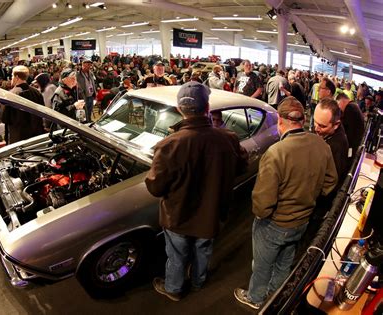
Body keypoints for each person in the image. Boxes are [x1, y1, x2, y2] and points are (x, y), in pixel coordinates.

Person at [145, 81, 248, 301]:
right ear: (207, 108)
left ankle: (174, 288)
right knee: (204, 250)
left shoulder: (168, 145)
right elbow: (241, 167)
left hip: (177, 215)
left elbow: (155, 187)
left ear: (180, 109)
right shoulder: (228, 138)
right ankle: (198, 282)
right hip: (212, 212)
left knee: (177, 254)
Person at [234, 96, 337, 310]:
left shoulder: (276, 153)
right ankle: (275, 297)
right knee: (284, 264)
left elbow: (262, 204)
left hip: (275, 224)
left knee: (262, 266)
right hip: (302, 223)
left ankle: (255, 299)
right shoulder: (321, 145)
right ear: (302, 119)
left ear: (280, 122)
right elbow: (330, 183)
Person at [0, 65, 45, 144]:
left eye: (11, 76)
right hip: (36, 137)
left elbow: (3, 117)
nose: (11, 78)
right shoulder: (36, 92)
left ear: (17, 77)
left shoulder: (10, 95)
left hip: (18, 139)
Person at [314, 98, 349, 184]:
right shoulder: (328, 133)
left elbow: (330, 182)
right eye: (315, 122)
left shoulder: (336, 147)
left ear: (336, 125)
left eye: (322, 126)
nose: (316, 128)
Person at [336, 93, 364, 161]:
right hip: (355, 142)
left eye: (339, 104)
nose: (339, 108)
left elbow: (349, 131)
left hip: (352, 144)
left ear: (343, 100)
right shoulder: (354, 106)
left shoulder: (350, 108)